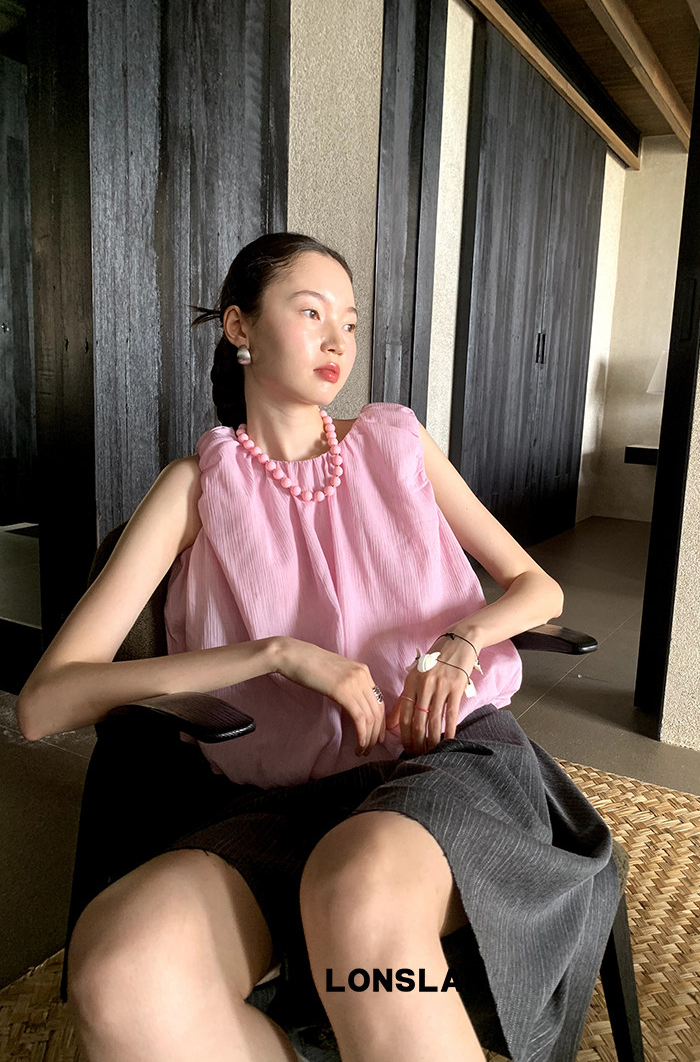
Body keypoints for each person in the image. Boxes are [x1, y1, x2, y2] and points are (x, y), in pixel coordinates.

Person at [16, 232, 618, 1062]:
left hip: (449, 762)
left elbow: (537, 586)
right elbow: (44, 704)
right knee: (123, 972)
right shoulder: (193, 489)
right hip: (281, 803)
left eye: (351, 321)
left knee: (358, 895)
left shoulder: (396, 444)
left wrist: (463, 639)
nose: (339, 340)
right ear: (240, 326)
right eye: (311, 313)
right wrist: (271, 653)